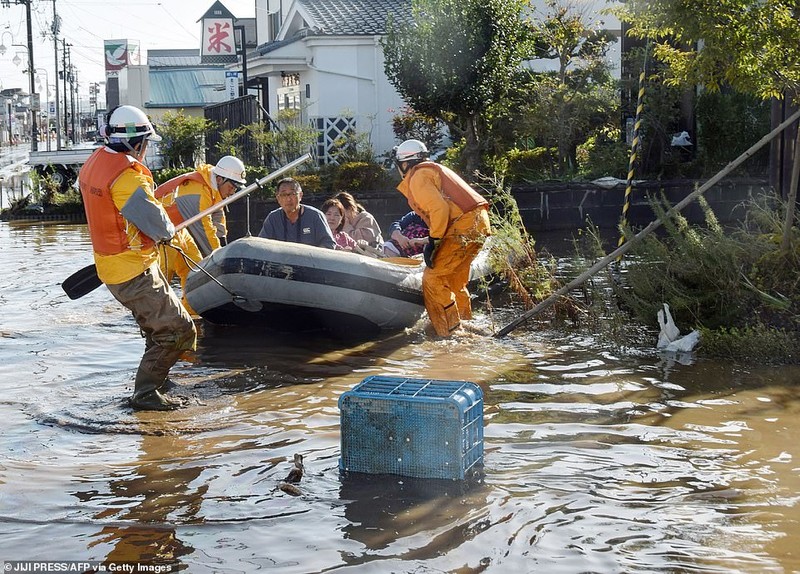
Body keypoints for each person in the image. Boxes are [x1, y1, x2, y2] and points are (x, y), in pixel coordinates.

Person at [77, 105, 197, 411]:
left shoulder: (94, 163)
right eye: (145, 144)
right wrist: (169, 231)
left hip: (112, 267)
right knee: (179, 330)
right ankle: (145, 392)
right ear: (137, 143)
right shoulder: (127, 179)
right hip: (134, 271)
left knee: (154, 327)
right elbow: (158, 225)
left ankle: (159, 378)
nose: (145, 151)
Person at [393, 139, 491, 337]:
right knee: (455, 279)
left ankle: (451, 332)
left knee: (433, 279)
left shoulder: (418, 176)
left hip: (462, 226)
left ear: (404, 164)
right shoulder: (433, 169)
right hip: (478, 223)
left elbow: (439, 208)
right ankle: (465, 322)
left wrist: (434, 240)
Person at [155, 156, 247, 313]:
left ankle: (190, 312)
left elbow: (217, 215)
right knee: (162, 276)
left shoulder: (212, 185)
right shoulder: (197, 193)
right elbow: (204, 230)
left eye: (236, 188)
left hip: (178, 230)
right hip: (160, 233)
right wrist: (220, 260)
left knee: (196, 270)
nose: (233, 191)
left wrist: (223, 244)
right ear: (220, 179)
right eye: (232, 187)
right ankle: (153, 315)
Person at [258, 178, 336, 249]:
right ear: (278, 198)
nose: (288, 199)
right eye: (284, 195)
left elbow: (329, 244)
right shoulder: (273, 218)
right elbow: (261, 245)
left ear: (300, 196)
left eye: (292, 194)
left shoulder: (315, 216)